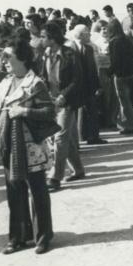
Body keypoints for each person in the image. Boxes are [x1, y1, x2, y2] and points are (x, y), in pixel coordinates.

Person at [0, 36, 58, 255]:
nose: (4, 61)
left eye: (8, 57)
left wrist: (24, 111)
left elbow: (50, 112)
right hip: (8, 144)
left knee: (38, 192)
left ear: (22, 59)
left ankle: (43, 237)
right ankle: (18, 237)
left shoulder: (35, 83)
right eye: (3, 58)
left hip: (31, 146)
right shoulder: (4, 81)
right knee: (14, 192)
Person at [39, 21, 85, 190]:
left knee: (59, 138)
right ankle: (78, 170)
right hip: (51, 101)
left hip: (67, 102)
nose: (41, 40)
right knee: (65, 139)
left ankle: (55, 177)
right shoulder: (46, 54)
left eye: (44, 37)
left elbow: (77, 79)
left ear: (53, 38)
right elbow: (43, 75)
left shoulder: (70, 54)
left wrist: (63, 96)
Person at [68, 24, 107, 146]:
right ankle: (79, 138)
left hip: (89, 85)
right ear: (80, 35)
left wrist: (98, 85)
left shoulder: (89, 49)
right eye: (87, 33)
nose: (90, 35)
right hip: (75, 86)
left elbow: (93, 69)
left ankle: (93, 137)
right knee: (76, 114)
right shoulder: (70, 49)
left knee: (92, 111)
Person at [105, 17, 133, 134]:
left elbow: (115, 61)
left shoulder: (114, 42)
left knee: (123, 101)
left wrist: (109, 72)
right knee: (127, 100)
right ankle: (127, 124)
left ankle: (129, 126)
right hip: (130, 74)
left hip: (120, 75)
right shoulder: (126, 39)